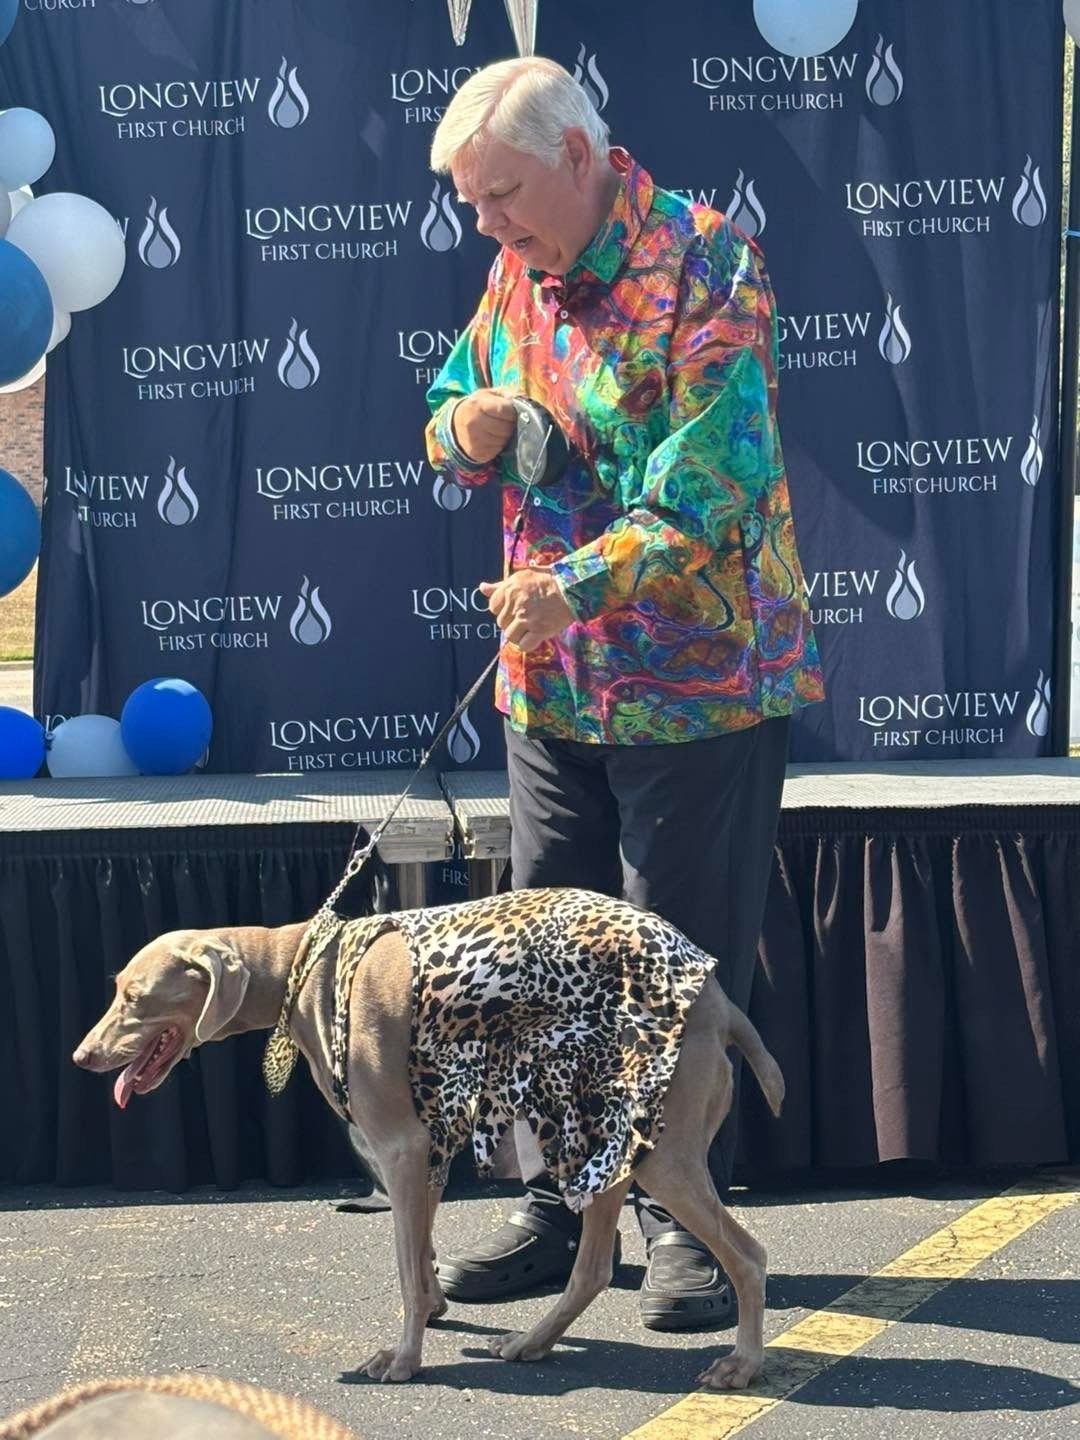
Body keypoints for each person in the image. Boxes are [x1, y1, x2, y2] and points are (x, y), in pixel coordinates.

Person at [423, 56, 824, 1331]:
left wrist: (576, 582)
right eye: (475, 203)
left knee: (670, 969)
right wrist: (466, 427)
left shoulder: (712, 264)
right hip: (552, 691)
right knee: (547, 956)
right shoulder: (515, 269)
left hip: (699, 687)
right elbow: (443, 407)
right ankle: (557, 1211)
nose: (488, 223)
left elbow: (707, 489)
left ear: (582, 158)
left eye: (505, 195)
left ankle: (684, 1224)